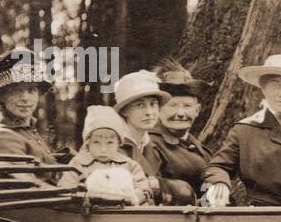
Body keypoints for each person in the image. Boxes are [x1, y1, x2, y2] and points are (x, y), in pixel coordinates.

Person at [203, 54, 281, 207]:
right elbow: (218, 166)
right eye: (275, 86)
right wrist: (219, 183)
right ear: (263, 89)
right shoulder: (244, 130)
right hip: (260, 215)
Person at [146, 60, 212, 204]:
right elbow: (151, 190)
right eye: (173, 105)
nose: (181, 113)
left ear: (197, 110)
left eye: (187, 106)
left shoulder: (200, 149)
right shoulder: (150, 144)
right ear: (158, 109)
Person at [58, 105, 151, 205]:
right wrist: (82, 197)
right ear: (88, 143)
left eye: (110, 143)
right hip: (89, 215)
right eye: (96, 142)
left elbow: (143, 188)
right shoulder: (78, 164)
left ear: (119, 143)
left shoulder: (129, 164)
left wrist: (134, 198)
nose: (103, 149)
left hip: (124, 214)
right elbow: (65, 188)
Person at [0, 48, 57, 164]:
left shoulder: (26, 131)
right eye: (16, 91)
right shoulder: (2, 137)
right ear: (2, 96)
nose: (25, 98)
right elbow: (30, 181)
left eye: (31, 90)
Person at [112, 69, 173, 203]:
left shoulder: (151, 146)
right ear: (124, 111)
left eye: (153, 104)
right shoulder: (113, 147)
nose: (149, 112)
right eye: (140, 105)